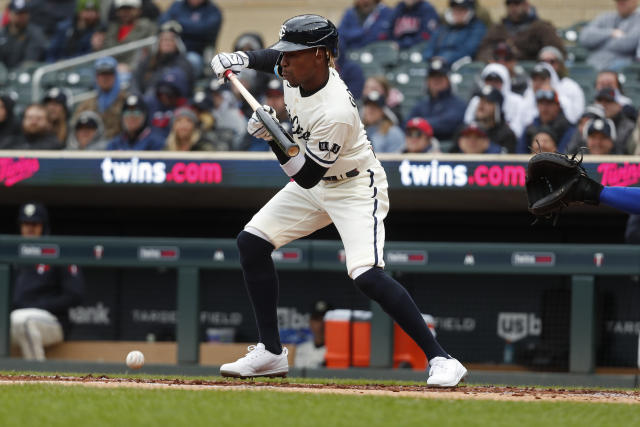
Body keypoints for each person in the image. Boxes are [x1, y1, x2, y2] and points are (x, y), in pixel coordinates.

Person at [210, 14, 467, 386]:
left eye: (293, 54)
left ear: (320, 55)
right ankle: (270, 351)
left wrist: (272, 138)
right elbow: (272, 59)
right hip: (316, 180)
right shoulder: (297, 70)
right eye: (284, 54)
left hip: (354, 187)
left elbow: (306, 174)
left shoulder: (337, 111)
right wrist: (242, 60)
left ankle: (442, 358)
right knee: (252, 243)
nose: (283, 62)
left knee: (367, 275)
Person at [11, 202, 84, 361]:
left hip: (52, 321)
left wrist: (39, 305)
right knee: (18, 319)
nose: (29, 228)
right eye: (25, 223)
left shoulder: (57, 251)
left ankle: (36, 376)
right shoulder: (14, 255)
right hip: (14, 319)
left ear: (43, 226)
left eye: (34, 224)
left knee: (24, 321)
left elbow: (75, 294)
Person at [476, 0, 564, 62]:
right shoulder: (498, 29)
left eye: (517, 3)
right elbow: (482, 51)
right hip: (500, 75)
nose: (513, 7)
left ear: (526, 4)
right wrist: (497, 55)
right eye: (509, 3)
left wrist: (520, 55)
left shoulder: (542, 28)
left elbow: (555, 53)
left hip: (534, 75)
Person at [406, 57, 466, 141]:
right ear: (427, 81)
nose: (436, 80)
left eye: (440, 76)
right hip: (421, 149)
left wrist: (420, 124)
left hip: (448, 150)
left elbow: (449, 124)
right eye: (433, 76)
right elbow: (406, 124)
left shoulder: (459, 104)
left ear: (448, 80)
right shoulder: (421, 104)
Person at [464, 62, 529, 138]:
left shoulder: (518, 101)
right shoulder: (476, 100)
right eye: (489, 80)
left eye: (497, 80)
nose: (492, 83)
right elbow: (468, 122)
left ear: (505, 81)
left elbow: (518, 131)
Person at [131, 20, 195, 97]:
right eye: (164, 40)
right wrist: (136, 95)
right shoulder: (149, 60)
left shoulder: (184, 63)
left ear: (177, 44)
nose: (167, 43)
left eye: (171, 40)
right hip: (144, 99)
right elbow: (135, 78)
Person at [71, 56, 129, 140]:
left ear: (115, 76)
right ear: (96, 77)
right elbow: (75, 126)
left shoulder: (126, 101)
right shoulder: (86, 104)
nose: (105, 78)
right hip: (91, 149)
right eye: (101, 74)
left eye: (109, 74)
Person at [159, 0, 222, 70]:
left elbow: (203, 30)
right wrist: (192, 26)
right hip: (172, 51)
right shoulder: (177, 5)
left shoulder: (213, 10)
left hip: (196, 53)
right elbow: (162, 22)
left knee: (192, 61)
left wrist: (178, 25)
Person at [579, 0, 640, 71]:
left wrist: (597, 44)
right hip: (593, 62)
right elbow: (584, 37)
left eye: (624, 2)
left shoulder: (638, 19)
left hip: (621, 66)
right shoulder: (606, 17)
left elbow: (627, 44)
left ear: (634, 1)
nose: (620, 4)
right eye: (618, 2)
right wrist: (611, 33)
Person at [422, 0, 486, 65]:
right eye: (455, 10)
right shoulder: (443, 28)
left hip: (460, 65)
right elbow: (430, 47)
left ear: (470, 12)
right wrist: (429, 58)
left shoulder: (477, 28)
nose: (457, 13)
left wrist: (444, 58)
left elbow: (468, 50)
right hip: (436, 64)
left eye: (461, 10)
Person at [538, 46, 585, 124]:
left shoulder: (571, 86)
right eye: (543, 61)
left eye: (551, 61)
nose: (547, 65)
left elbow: (576, 116)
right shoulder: (532, 85)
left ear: (560, 64)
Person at [518, 89, 575, 153]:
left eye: (549, 104)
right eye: (541, 103)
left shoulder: (568, 129)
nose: (544, 108)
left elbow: (565, 154)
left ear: (557, 106)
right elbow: (520, 155)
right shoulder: (529, 129)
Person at [103, 0, 157, 67]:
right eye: (122, 9)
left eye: (129, 9)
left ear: (138, 10)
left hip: (135, 69)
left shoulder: (148, 27)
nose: (125, 12)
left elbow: (149, 52)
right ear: (117, 12)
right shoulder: (112, 29)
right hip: (109, 70)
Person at [0, 0, 48, 69]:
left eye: (24, 13)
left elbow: (30, 62)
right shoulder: (2, 33)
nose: (22, 17)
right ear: (10, 14)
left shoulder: (35, 33)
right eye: (18, 13)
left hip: (25, 75)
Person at [145, 67, 190, 138]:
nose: (164, 97)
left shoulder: (185, 108)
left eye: (169, 95)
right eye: (161, 93)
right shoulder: (150, 103)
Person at [473, 85, 517, 153]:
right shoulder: (469, 131)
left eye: (487, 101)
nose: (481, 105)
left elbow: (508, 161)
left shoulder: (507, 135)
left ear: (497, 108)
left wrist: (488, 146)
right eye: (480, 100)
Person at [594, 87, 635, 154]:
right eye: (600, 101)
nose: (603, 105)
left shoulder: (629, 127)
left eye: (608, 101)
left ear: (619, 105)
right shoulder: (589, 122)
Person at [293, 300, 331, 369]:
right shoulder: (301, 349)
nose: (321, 324)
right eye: (317, 320)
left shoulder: (337, 352)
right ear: (310, 322)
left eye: (325, 319)